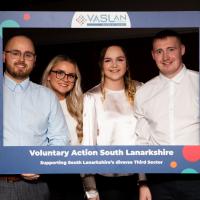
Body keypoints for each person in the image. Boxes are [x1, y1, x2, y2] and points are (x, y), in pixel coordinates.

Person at [134, 29, 200, 200]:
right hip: (159, 180)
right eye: (159, 51)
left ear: (182, 50)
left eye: (171, 49)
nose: (165, 57)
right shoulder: (143, 92)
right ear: (153, 55)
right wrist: (143, 182)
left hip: (196, 178)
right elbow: (142, 141)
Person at [2, 35, 69, 200]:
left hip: (36, 189)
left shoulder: (48, 96)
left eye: (28, 55)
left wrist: (40, 165)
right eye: (15, 53)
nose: (22, 59)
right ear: (3, 56)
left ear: (34, 60)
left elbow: (60, 139)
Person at [82, 45, 151, 200]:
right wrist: (91, 189)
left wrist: (144, 181)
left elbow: (146, 138)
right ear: (101, 65)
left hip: (139, 178)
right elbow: (88, 145)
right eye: (108, 60)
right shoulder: (91, 97)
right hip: (107, 181)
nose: (114, 65)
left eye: (120, 59)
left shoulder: (141, 89)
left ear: (126, 64)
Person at [41, 55, 84, 199]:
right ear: (48, 76)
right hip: (42, 178)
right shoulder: (34, 104)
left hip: (73, 179)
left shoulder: (81, 106)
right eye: (60, 73)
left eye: (71, 75)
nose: (65, 79)